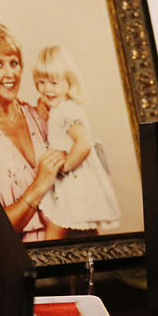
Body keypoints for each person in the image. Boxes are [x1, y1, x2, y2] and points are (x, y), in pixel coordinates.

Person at [0, 21, 65, 241]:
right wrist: (40, 184)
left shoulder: (42, 116)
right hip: (28, 260)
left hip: (73, 241)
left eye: (14, 63)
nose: (10, 74)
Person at [33, 45, 120, 233]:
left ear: (68, 83)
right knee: (84, 228)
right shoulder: (61, 107)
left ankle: (48, 261)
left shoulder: (65, 110)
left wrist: (64, 168)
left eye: (53, 83)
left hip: (72, 180)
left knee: (56, 228)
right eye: (41, 82)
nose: (47, 89)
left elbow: (83, 144)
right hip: (78, 181)